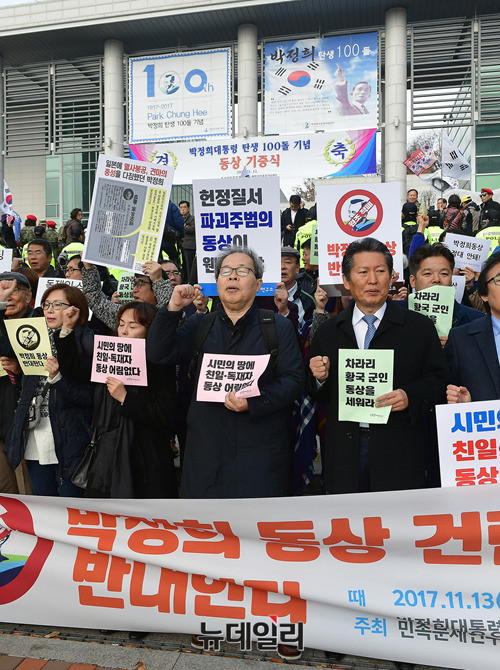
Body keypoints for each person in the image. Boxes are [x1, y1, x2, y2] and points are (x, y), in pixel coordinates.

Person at [308, 238, 448, 669]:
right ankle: (346, 626)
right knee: (348, 540)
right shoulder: (328, 330)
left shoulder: (417, 327)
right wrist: (318, 377)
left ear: (392, 277)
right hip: (346, 450)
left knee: (396, 541)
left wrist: (411, 395)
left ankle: (400, 631)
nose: (372, 280)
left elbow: (437, 379)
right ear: (346, 280)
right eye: (363, 272)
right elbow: (316, 394)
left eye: (381, 271)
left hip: (398, 449)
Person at [147, 245, 305, 500]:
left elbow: (294, 380)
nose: (232, 276)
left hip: (260, 455)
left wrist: (254, 402)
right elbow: (157, 354)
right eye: (225, 271)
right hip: (205, 455)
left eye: (242, 271)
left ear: (258, 284)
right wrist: (172, 308)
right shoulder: (199, 325)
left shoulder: (277, 326)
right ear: (217, 282)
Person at [55, 301, 177, 499]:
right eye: (121, 324)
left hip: (146, 462)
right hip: (107, 457)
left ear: (149, 330)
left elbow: (164, 414)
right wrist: (67, 328)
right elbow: (74, 369)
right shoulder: (108, 356)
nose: (124, 331)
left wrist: (126, 399)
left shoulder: (159, 364)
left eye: (133, 326)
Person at [4, 283, 93, 497]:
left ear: (75, 308)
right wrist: (19, 371)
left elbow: (89, 396)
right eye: (46, 305)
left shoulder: (87, 339)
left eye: (57, 304)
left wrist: (58, 378)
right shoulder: (34, 336)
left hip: (70, 441)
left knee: (71, 509)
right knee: (44, 507)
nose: (50, 310)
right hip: (35, 439)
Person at [446, 253, 500, 404]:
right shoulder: (461, 339)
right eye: (499, 280)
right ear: (484, 294)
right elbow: (445, 388)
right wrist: (462, 404)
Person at [0, 273, 35, 494]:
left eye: (14, 291)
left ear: (28, 295)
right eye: (2, 292)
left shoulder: (39, 322)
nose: (7, 297)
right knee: (6, 493)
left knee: (27, 493)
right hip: (2, 418)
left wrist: (21, 368)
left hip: (25, 424)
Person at [408, 243, 483, 343]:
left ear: (451, 279)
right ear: (413, 281)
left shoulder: (476, 320)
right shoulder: (394, 317)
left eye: (444, 274)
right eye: (427, 274)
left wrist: (457, 346)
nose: (436, 279)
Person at [81, 260, 173, 331]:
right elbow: (95, 299)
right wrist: (89, 268)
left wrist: (158, 280)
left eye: (140, 284)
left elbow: (170, 312)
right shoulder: (123, 314)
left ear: (156, 288)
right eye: (122, 324)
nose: (134, 290)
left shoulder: (167, 319)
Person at [280, 246, 315, 327]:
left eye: (288, 262)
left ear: (297, 268)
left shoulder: (307, 300)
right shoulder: (263, 297)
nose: (282, 267)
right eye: (278, 262)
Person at [179, 200, 196, 280]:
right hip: (181, 245)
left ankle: (190, 281)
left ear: (188, 209)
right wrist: (184, 227)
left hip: (190, 246)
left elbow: (193, 229)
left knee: (190, 266)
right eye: (181, 207)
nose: (182, 209)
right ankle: (185, 280)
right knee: (184, 265)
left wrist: (182, 227)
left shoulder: (193, 219)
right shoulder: (179, 219)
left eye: (184, 207)